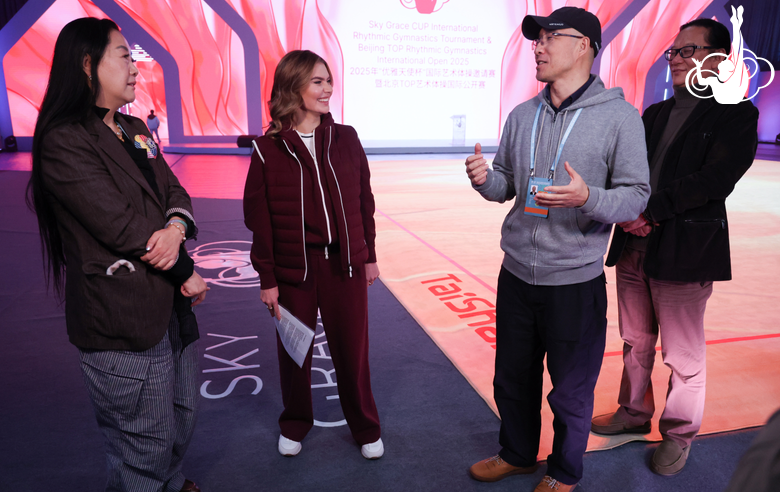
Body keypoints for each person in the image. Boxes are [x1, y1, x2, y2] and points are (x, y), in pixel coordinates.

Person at [464, 7, 650, 491]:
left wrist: (588, 197)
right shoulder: (523, 114)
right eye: (536, 40)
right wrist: (487, 181)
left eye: (550, 38)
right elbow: (507, 184)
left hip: (575, 279)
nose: (538, 48)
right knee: (512, 378)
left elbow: (635, 195)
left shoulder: (620, 118)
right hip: (516, 275)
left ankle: (565, 471)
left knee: (569, 389)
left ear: (584, 46)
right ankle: (518, 453)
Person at [27, 18, 208, 492]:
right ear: (88, 65)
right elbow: (119, 223)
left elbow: (175, 190)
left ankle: (171, 481)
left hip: (170, 308)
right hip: (121, 317)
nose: (136, 67)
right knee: (140, 444)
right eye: (125, 56)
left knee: (180, 415)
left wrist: (175, 226)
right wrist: (183, 265)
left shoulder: (132, 127)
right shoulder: (63, 139)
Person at [591, 18, 758, 476]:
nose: (678, 58)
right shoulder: (654, 114)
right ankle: (632, 413)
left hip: (683, 249)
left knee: (682, 355)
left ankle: (680, 433)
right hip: (633, 244)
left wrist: (651, 211)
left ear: (719, 60)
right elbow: (628, 171)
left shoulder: (735, 114)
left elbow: (715, 179)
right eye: (674, 51)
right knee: (635, 339)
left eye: (689, 50)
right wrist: (623, 208)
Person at [243, 50, 383, 459]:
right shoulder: (267, 149)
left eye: (328, 80)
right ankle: (295, 423)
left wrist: (369, 253)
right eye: (317, 82)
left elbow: (364, 201)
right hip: (293, 270)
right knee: (294, 352)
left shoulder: (347, 137)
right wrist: (267, 278)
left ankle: (366, 427)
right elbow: (260, 220)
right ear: (293, 87)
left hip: (346, 266)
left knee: (353, 350)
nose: (327, 89)